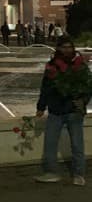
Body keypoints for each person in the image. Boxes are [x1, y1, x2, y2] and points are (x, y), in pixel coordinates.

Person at [34, 35, 92, 185]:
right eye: (63, 47)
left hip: (74, 111)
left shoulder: (81, 66)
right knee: (50, 143)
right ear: (58, 49)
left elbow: (88, 88)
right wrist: (41, 107)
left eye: (69, 47)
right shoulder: (51, 66)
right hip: (56, 110)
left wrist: (82, 102)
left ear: (73, 48)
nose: (67, 50)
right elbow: (45, 88)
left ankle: (79, 174)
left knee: (77, 144)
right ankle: (51, 172)